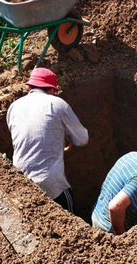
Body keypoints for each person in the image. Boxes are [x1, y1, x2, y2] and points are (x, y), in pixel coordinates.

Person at [7, 67, 89, 212]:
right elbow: (82, 140)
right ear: (51, 89)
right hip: (49, 182)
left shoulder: (14, 107)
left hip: (20, 179)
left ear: (30, 87)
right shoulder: (56, 103)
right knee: (70, 216)